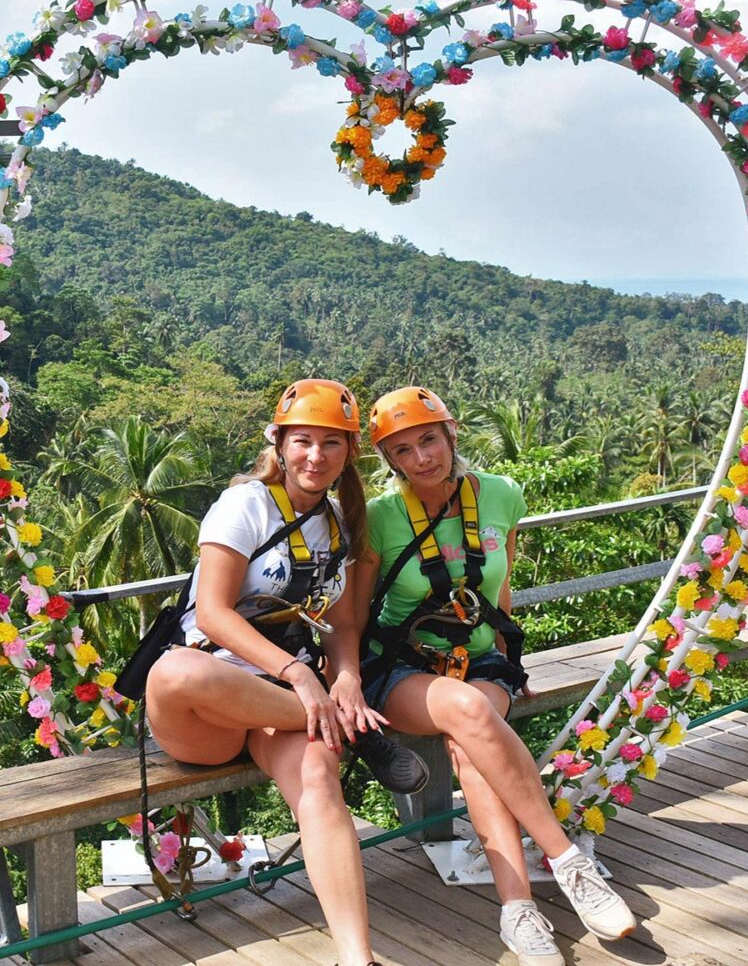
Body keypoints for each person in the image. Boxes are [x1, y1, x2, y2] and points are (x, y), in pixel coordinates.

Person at [145, 378, 427, 966]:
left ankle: (357, 955)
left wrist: (345, 678)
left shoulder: (338, 521)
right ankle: (356, 731)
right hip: (213, 707)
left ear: (350, 452)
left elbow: (342, 624)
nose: (315, 456)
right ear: (279, 443)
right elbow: (213, 614)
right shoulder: (244, 505)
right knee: (174, 671)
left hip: (283, 702)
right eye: (303, 441)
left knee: (320, 781)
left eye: (331, 443)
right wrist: (303, 681)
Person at [357, 386, 636, 966]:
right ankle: (568, 862)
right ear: (389, 460)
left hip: (478, 656)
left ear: (451, 434)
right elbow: (355, 614)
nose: (422, 458)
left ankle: (519, 911)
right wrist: (341, 680)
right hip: (402, 665)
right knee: (469, 712)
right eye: (403, 450)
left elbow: (498, 588)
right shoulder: (381, 517)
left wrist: (510, 659)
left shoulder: (503, 494)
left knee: (469, 736)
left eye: (429, 440)